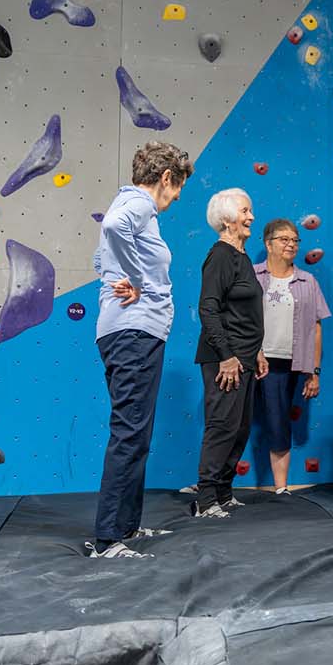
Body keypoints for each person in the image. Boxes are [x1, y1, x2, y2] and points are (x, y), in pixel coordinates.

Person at [86, 141, 195, 558]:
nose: (178, 196)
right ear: (166, 178)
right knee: (130, 433)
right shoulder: (139, 205)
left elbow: (100, 260)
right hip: (132, 332)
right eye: (178, 186)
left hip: (132, 332)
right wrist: (137, 279)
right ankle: (108, 539)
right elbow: (113, 228)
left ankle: (125, 527)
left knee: (137, 434)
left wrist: (123, 273)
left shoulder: (134, 208)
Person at [193, 188, 267, 518]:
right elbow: (208, 308)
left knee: (240, 427)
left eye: (251, 210)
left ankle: (223, 492)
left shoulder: (243, 257)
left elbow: (247, 312)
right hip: (226, 358)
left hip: (246, 357)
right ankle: (206, 499)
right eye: (244, 211)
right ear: (226, 220)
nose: (251, 216)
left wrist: (258, 352)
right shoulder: (221, 255)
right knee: (222, 424)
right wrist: (226, 355)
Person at [253, 219, 331, 494]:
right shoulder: (251, 276)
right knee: (235, 422)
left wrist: (314, 371)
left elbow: (316, 328)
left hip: (286, 363)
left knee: (279, 421)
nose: (290, 245)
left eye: (295, 240)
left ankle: (281, 488)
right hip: (251, 360)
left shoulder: (308, 281)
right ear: (268, 243)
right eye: (284, 239)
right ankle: (216, 489)